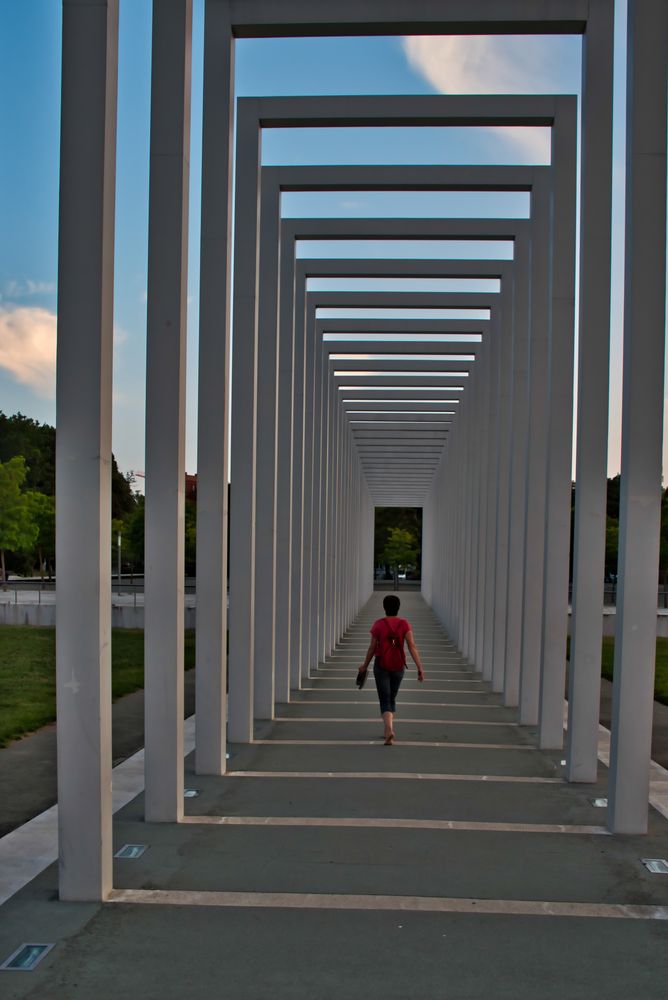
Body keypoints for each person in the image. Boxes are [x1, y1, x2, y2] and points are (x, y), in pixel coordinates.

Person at [357, 594, 425, 744]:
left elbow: (372, 648)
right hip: (398, 665)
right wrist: (419, 666)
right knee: (391, 697)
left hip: (381, 664)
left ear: (384, 608)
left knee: (384, 698)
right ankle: (389, 728)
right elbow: (412, 646)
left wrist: (364, 666)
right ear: (398, 607)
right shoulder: (404, 624)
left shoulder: (378, 625)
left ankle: (388, 729)